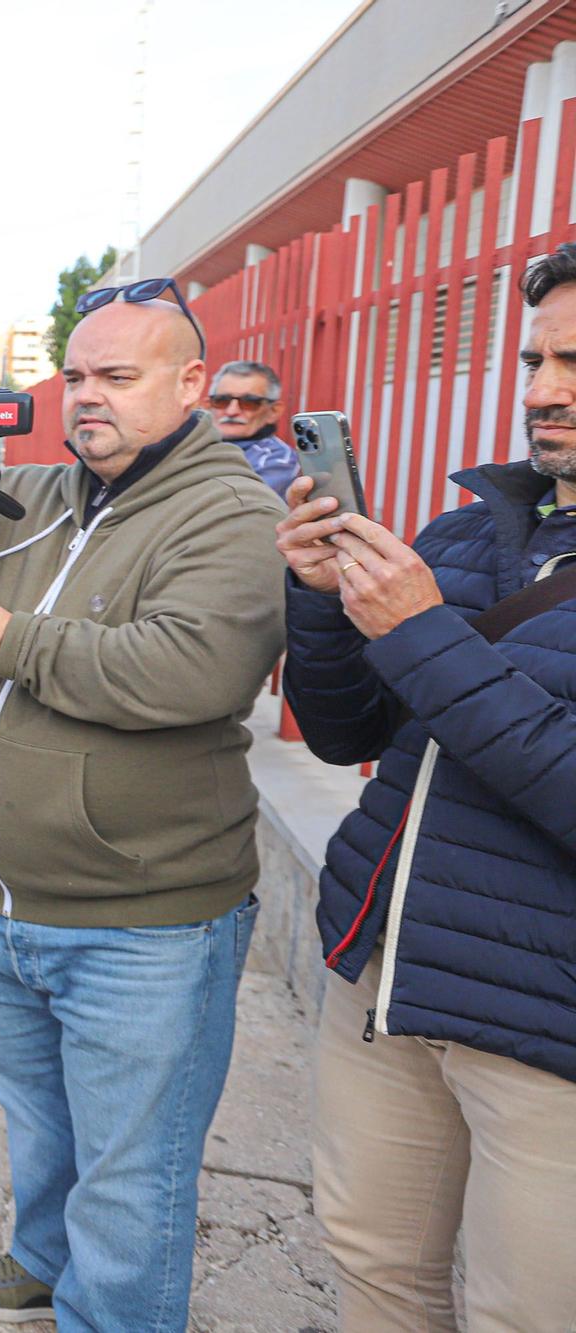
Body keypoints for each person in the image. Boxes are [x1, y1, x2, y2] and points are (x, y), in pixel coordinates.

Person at [0, 285, 287, 1330]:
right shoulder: (50, 493)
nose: (85, 397)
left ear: (190, 383)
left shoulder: (230, 509)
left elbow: (191, 670)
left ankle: (102, 1305)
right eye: (76, 377)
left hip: (142, 921)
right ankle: (42, 1258)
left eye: (116, 376)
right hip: (6, 897)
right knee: (42, 1126)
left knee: (130, 1178)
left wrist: (7, 640)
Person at [277, 244, 576, 1331]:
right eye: (535, 358)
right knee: (374, 1275)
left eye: (574, 362)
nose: (542, 389)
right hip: (382, 984)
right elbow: (346, 730)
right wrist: (319, 598)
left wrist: (419, 633)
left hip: (546, 1039)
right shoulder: (467, 530)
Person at [207, 359, 299, 496]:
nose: (232, 411)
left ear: (273, 411)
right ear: (208, 405)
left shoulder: (277, 462)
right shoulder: (190, 445)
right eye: (222, 401)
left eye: (249, 402)